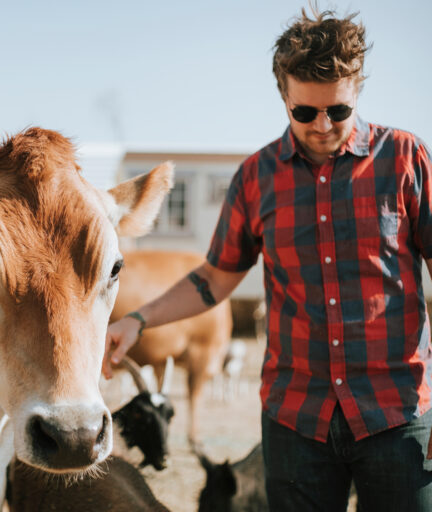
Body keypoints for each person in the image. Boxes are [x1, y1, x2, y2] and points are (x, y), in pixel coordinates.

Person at [104, 7, 432, 511]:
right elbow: (213, 279)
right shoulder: (256, 178)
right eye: (305, 112)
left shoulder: (406, 159)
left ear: (357, 92)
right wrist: (139, 319)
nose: (323, 125)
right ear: (283, 96)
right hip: (296, 421)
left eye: (338, 110)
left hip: (399, 413)